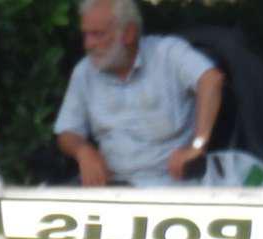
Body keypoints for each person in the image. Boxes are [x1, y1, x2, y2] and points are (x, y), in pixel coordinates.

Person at [54, 0, 224, 186]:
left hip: (172, 186)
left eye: (97, 34)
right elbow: (67, 131)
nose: (88, 44)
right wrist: (83, 151)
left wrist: (197, 146)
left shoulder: (167, 53)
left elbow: (211, 79)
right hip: (112, 188)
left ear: (129, 33)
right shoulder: (85, 71)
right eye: (85, 35)